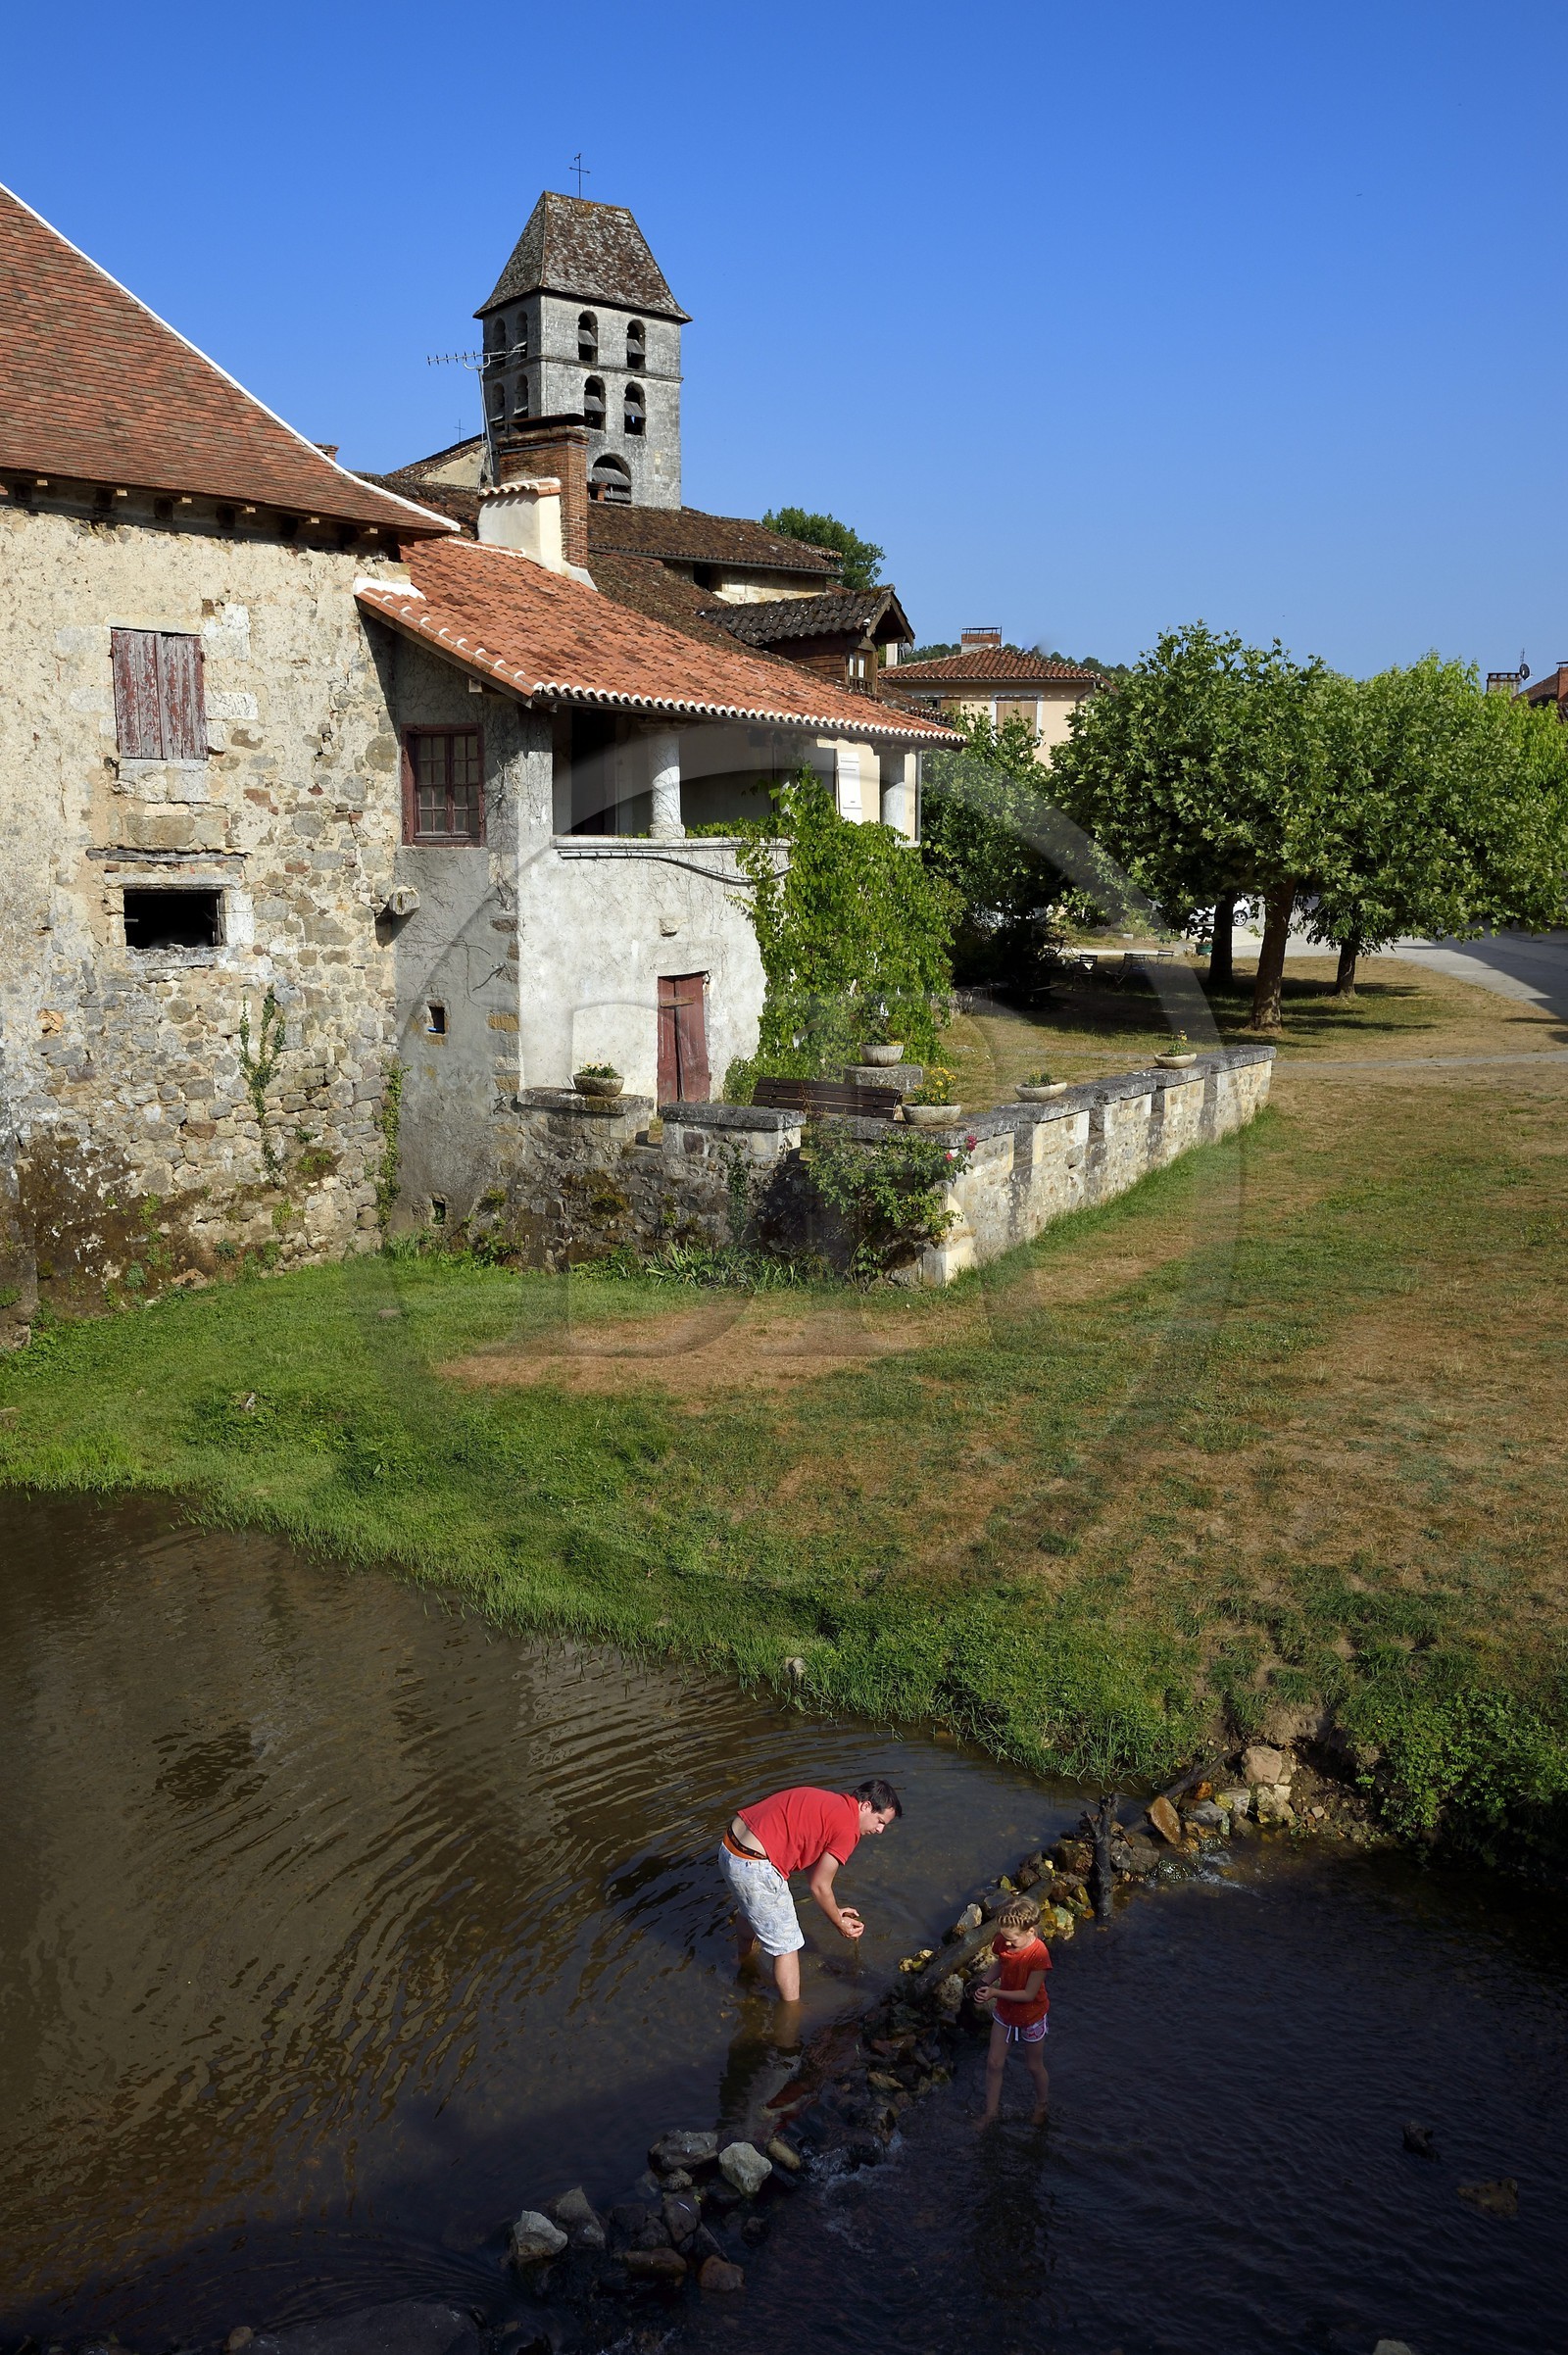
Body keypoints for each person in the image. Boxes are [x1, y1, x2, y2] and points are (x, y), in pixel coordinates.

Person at [720, 1779, 903, 2003]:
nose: (880, 1830)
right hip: (755, 1865)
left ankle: (742, 1960)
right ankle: (791, 2015)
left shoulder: (830, 1803)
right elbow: (819, 1886)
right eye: (880, 1821)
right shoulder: (848, 1828)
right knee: (788, 1946)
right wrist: (839, 1922)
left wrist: (834, 1909)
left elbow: (811, 1862)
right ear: (865, 1806)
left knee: (750, 1910)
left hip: (730, 1847)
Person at [971, 1894, 1052, 2126]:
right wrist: (985, 1982)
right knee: (994, 2063)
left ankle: (1041, 2104)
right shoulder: (1004, 1940)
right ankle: (991, 2112)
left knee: (1033, 2066)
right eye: (1003, 1939)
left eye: (1012, 1941)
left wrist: (994, 1993)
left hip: (1032, 2016)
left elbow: (1028, 1995)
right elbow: (1001, 1963)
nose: (1006, 1945)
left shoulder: (1039, 1955)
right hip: (1005, 2013)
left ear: (1031, 1933)